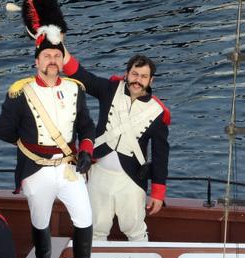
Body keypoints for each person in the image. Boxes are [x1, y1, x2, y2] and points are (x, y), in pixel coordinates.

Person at [0, 29, 101, 258]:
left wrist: (86, 150)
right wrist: (30, 144)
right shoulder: (20, 92)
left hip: (68, 167)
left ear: (62, 61)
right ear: (37, 62)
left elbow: (87, 126)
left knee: (85, 218)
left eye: (56, 55)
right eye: (47, 56)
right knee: (40, 220)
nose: (52, 60)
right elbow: (2, 131)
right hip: (36, 168)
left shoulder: (75, 89)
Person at [62, 51, 170, 242]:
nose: (138, 80)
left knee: (135, 230)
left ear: (151, 80)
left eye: (144, 76)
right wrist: (59, 51)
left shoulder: (158, 112)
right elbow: (83, 77)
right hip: (98, 175)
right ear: (127, 74)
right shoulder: (110, 89)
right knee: (95, 229)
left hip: (131, 180)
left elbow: (161, 155)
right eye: (135, 74)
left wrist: (158, 193)